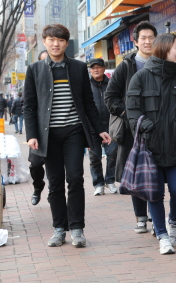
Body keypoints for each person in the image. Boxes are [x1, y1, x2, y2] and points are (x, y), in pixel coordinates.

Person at [24, 24, 111, 248]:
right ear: (44, 41)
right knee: (54, 183)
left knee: (74, 178)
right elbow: (30, 107)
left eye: (60, 40)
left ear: (66, 43)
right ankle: (59, 228)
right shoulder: (35, 70)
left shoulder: (79, 68)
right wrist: (32, 134)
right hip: (48, 135)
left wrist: (99, 128)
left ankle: (77, 228)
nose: (56, 44)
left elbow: (88, 103)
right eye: (51, 39)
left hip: (73, 131)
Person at [126, 33, 176, 255]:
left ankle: (172, 222)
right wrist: (145, 124)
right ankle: (162, 235)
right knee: (154, 194)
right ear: (165, 48)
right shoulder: (140, 77)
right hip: (150, 147)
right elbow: (132, 108)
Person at [105, 21, 157, 233]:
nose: (147, 41)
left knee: (156, 173)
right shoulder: (126, 66)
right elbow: (110, 97)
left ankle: (156, 216)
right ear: (135, 42)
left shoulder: (162, 64)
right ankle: (141, 217)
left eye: (151, 37)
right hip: (132, 131)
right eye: (143, 38)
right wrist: (128, 115)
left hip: (156, 128)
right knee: (137, 171)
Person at [88, 58, 118, 196]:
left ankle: (110, 180)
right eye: (93, 67)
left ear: (104, 69)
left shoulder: (112, 84)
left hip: (110, 126)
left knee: (112, 154)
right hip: (92, 128)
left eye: (98, 67)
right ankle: (98, 184)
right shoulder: (86, 85)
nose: (96, 70)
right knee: (95, 157)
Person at [28, 51, 49, 206]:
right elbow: (27, 106)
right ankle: (38, 187)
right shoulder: (34, 76)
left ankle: (55, 194)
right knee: (35, 164)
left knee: (57, 168)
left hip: (56, 132)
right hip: (39, 133)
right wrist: (31, 135)